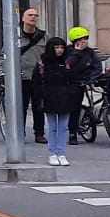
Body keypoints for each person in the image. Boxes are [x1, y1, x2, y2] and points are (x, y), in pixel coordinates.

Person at [38, 36, 84, 166]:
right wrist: (41, 97)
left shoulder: (67, 62)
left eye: (62, 47)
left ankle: (61, 153)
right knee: (52, 127)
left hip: (65, 97)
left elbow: (73, 77)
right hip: (50, 97)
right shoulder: (44, 62)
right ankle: (52, 153)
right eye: (57, 47)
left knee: (63, 127)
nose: (60, 50)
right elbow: (39, 81)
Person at [17, 6, 48, 144]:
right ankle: (19, 133)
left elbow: (50, 54)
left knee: (39, 106)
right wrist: (2, 70)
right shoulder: (15, 36)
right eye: (30, 15)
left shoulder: (43, 37)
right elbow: (4, 55)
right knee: (20, 107)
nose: (33, 17)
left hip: (38, 78)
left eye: (36, 15)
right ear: (23, 18)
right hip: (21, 77)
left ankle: (39, 133)